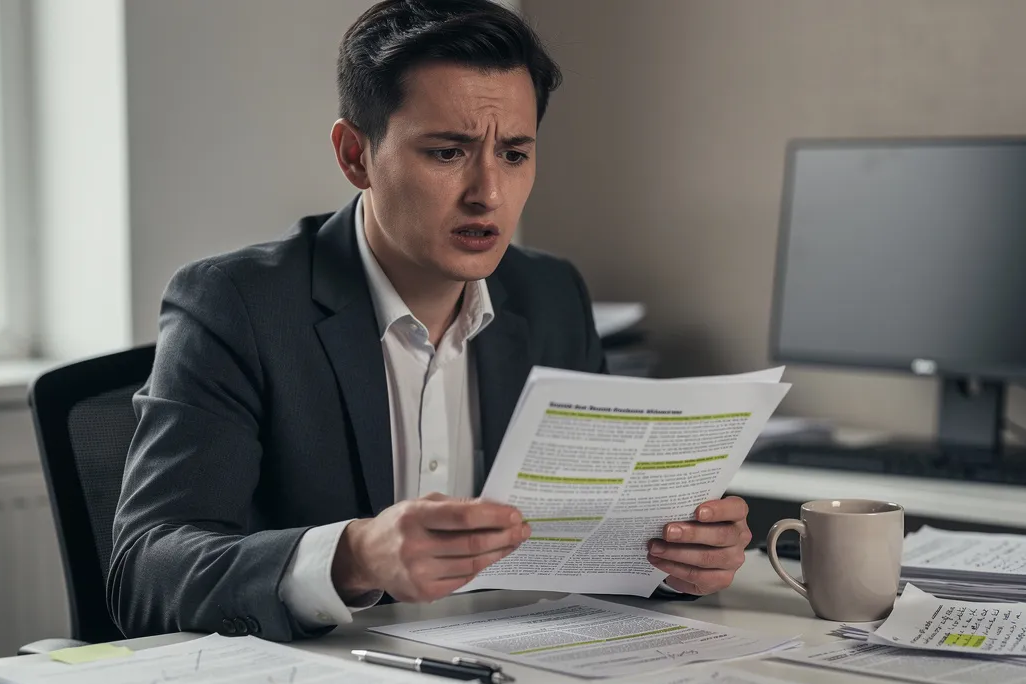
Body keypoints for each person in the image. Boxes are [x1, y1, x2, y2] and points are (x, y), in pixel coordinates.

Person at [108, 0, 753, 641]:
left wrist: (678, 557)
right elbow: (144, 572)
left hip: (516, 673)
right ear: (355, 155)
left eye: (514, 154)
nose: (488, 194)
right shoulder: (235, 303)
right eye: (447, 153)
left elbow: (595, 538)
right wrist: (352, 556)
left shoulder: (551, 295)